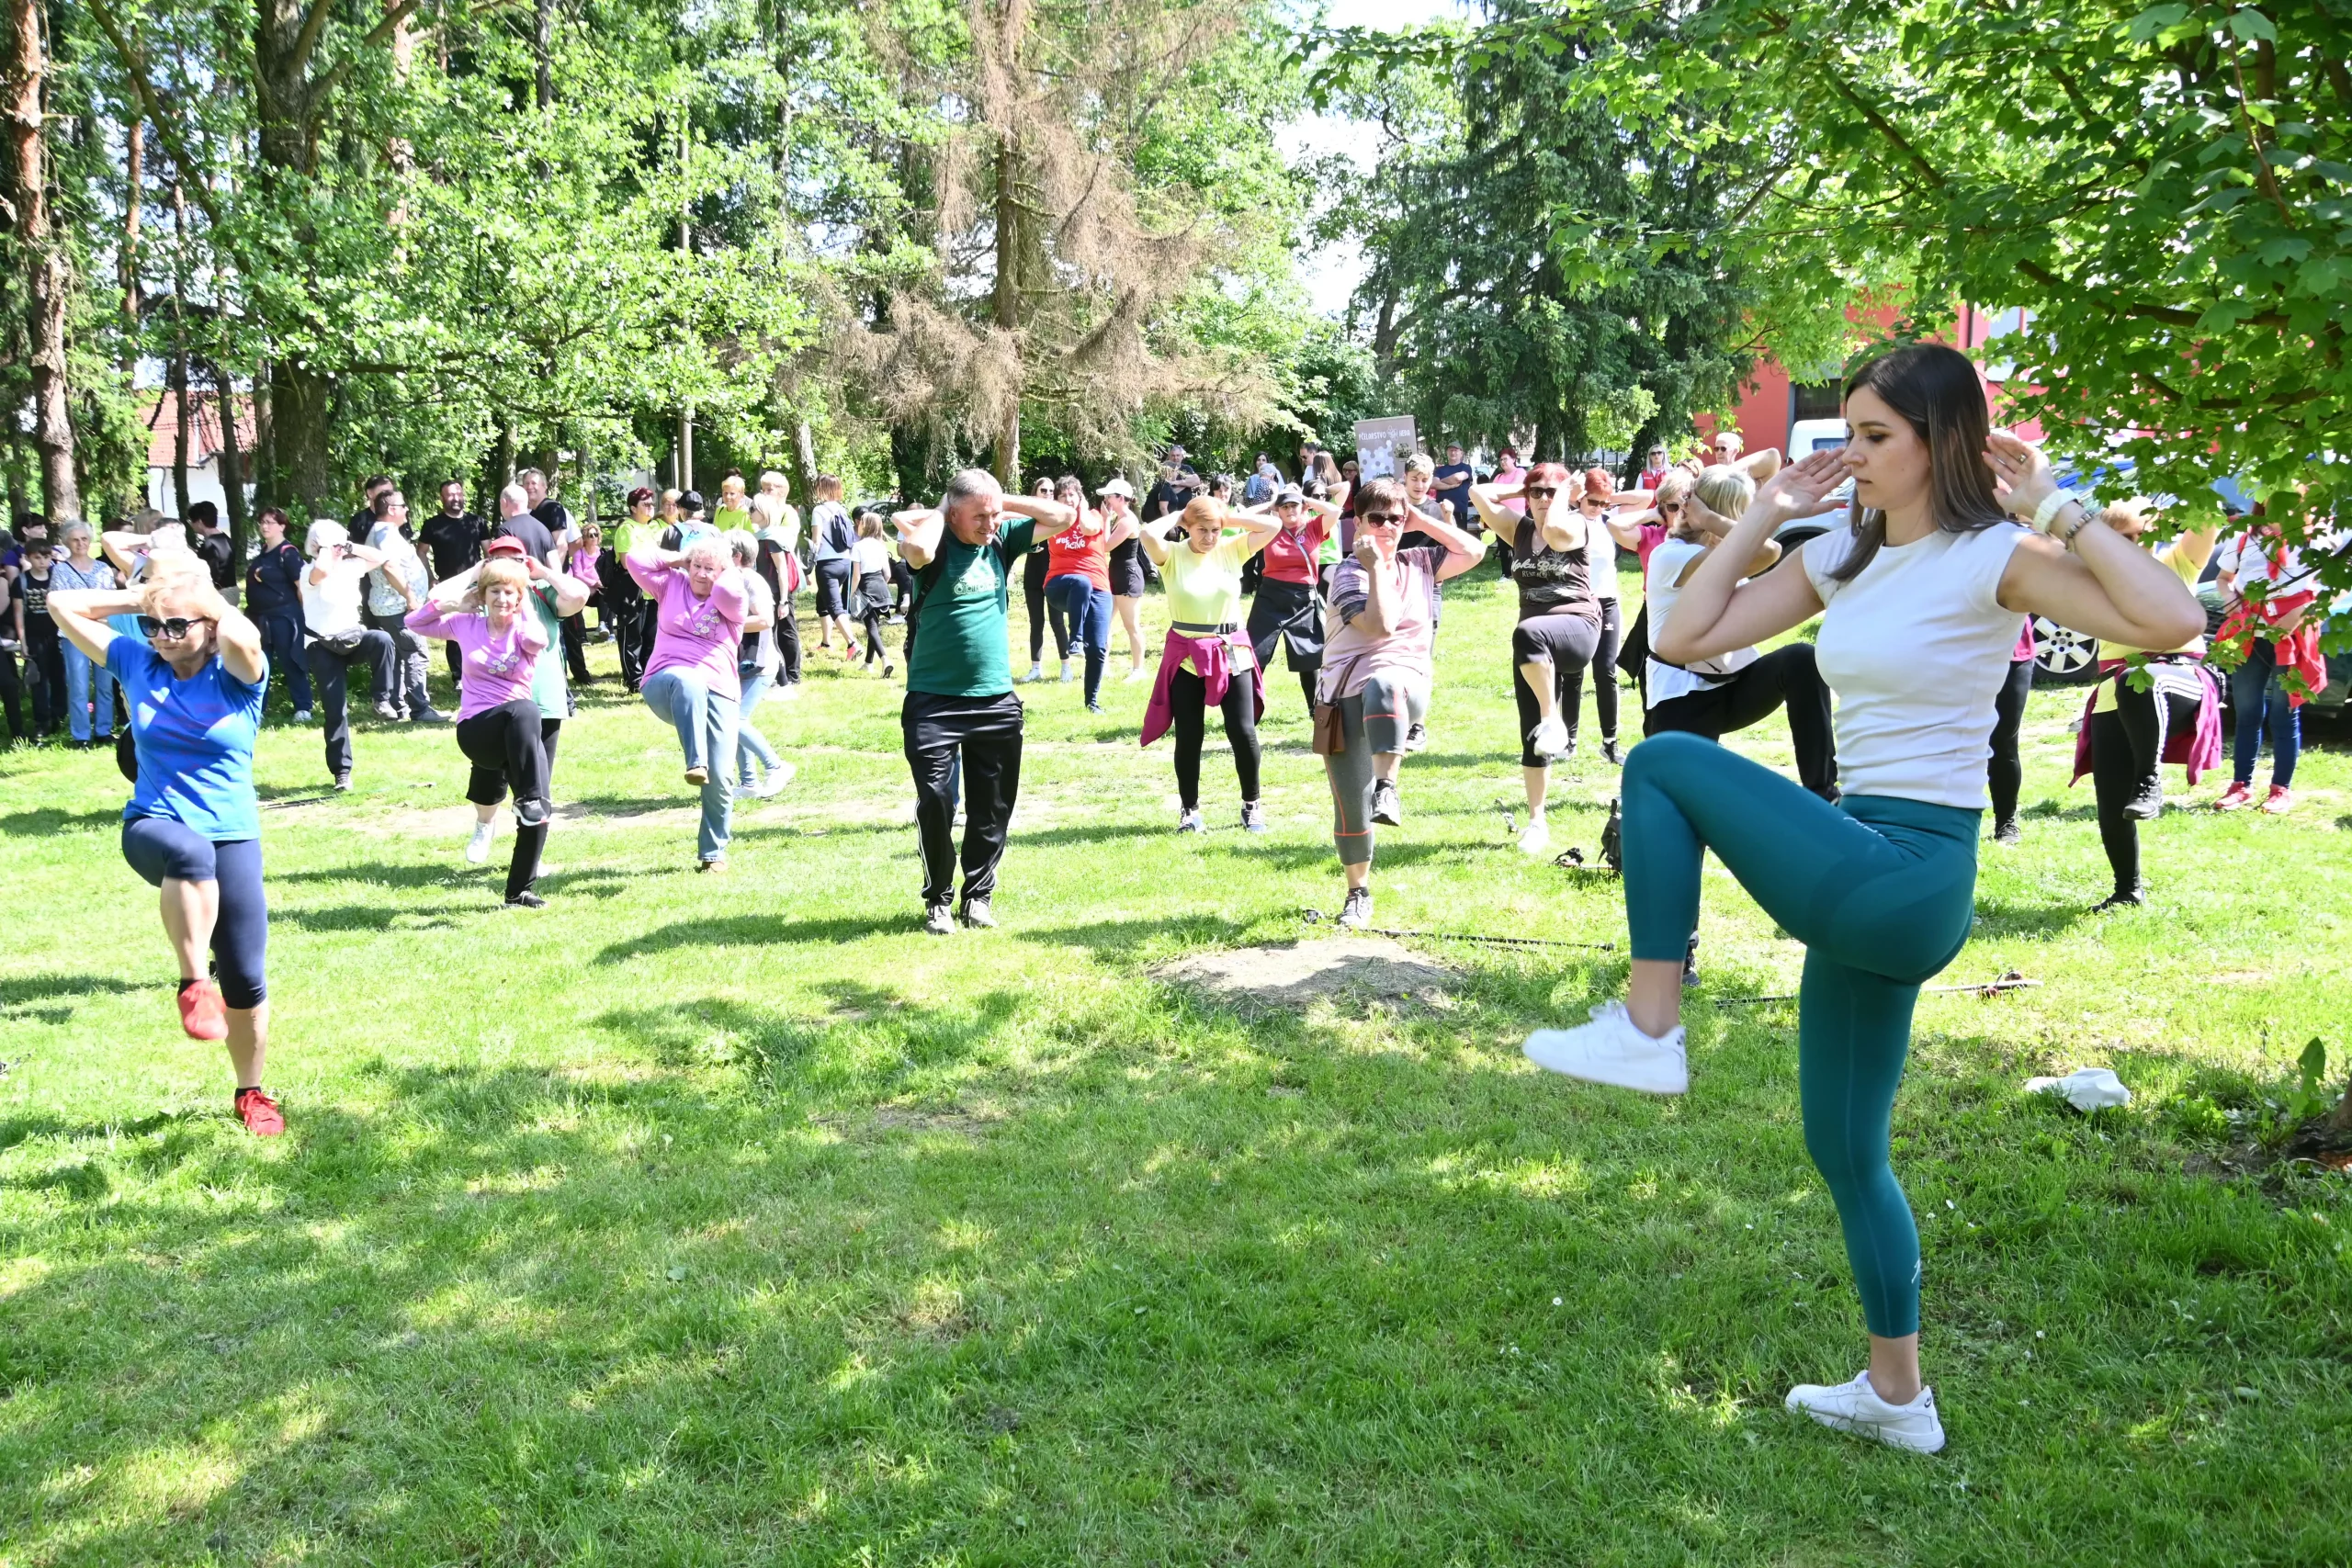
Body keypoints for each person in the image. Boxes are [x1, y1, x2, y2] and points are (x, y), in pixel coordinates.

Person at [1518, 343, 2205, 1455]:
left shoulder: (1998, 555)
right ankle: (1899, 1399)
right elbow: (1684, 637)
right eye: (1849, 432)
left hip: (1909, 873)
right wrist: (1767, 510)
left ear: (1943, 443)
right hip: (1860, 857)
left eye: (1877, 437)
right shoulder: (1846, 550)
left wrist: (2054, 504)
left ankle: (1650, 1025)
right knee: (1845, 1151)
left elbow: (2171, 619)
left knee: (1658, 766)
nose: (1855, 455)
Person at [46, 558, 285, 1135]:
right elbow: (61, 606)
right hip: (153, 823)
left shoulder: (237, 674)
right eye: (158, 627)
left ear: (208, 625)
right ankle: (190, 981)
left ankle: (251, 1093)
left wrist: (204, 599)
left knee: (247, 976)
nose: (164, 637)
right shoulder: (137, 661)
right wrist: (147, 601)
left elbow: (245, 636)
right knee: (189, 855)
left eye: (178, 626)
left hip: (232, 831)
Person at [890, 471, 1074, 933]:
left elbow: (1066, 516)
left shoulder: (1002, 538)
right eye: (979, 516)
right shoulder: (933, 538)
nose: (991, 524)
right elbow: (917, 551)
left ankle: (978, 897)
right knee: (935, 800)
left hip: (995, 699)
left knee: (992, 806)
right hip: (933, 699)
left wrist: (997, 501)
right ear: (953, 513)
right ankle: (938, 899)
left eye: (995, 516)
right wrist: (943, 510)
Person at [1317, 477, 1484, 929]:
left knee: (1386, 682)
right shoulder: (1346, 574)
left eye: (1396, 518)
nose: (1389, 526)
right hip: (1342, 696)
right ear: (1359, 523)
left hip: (1403, 685)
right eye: (1379, 518)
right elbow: (1381, 625)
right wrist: (1374, 567)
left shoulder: (1421, 560)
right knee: (1351, 806)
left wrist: (1421, 520)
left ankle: (1387, 786)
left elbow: (1475, 551)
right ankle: (1358, 892)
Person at [1639, 469, 1837, 800]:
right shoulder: (1671, 555)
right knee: (1688, 807)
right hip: (1685, 696)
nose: (1749, 519)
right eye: (1744, 512)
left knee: (1801, 659)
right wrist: (1707, 516)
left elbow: (1769, 460)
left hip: (1736, 685)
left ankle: (1824, 794)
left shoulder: (1725, 551)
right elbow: (1768, 551)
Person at [2068, 501, 2222, 908]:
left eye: (2143, 536)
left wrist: (2172, 504)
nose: (2138, 545)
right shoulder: (2094, 580)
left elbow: (2207, 515)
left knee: (2140, 681)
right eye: (2125, 539)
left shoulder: (2176, 564)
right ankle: (2127, 890)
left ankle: (2149, 781)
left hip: (2177, 678)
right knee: (2111, 805)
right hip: (2114, 689)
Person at [1470, 465, 1606, 855]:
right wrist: (1524, 491)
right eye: (1538, 492)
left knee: (1527, 634)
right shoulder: (1519, 529)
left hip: (1577, 628)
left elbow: (1554, 532)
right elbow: (1479, 492)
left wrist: (1564, 495)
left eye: (1551, 492)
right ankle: (1537, 822)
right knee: (1532, 738)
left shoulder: (1577, 524)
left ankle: (1554, 719)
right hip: (1531, 646)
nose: (1544, 499)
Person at [406, 552, 556, 906]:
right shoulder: (465, 624)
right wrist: (455, 602)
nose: (502, 599)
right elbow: (414, 622)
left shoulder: (524, 629)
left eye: (510, 593)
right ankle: (527, 797)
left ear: (519, 597)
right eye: (495, 592)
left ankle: (519, 891)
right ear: (483, 595)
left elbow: (540, 641)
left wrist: (528, 607)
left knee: (540, 811)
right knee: (525, 710)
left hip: (517, 735)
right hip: (477, 731)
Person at [1137, 495, 1281, 832]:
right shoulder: (1172, 555)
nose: (1210, 537)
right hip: (1187, 654)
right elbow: (1146, 534)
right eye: (1203, 530)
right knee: (1189, 735)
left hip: (1232, 649)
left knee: (1243, 731)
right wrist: (1179, 516)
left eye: (1215, 530)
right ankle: (1190, 811)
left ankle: (1252, 806)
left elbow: (1273, 525)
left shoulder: (1232, 548)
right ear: (1188, 527)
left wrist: (1227, 520)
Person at [628, 530, 752, 869]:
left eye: (709, 569)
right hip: (665, 682)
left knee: (724, 775)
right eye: (696, 566)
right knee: (688, 678)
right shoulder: (672, 584)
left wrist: (723, 566)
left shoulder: (730, 595)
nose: (700, 574)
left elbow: (726, 587)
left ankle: (713, 854)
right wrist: (680, 559)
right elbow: (634, 559)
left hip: (720, 690)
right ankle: (695, 762)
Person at [2212, 518, 2317, 814]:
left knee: (2284, 714)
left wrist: (2297, 613)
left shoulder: (2314, 537)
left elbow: (2333, 585)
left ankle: (2281, 790)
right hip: (2249, 636)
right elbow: (2223, 578)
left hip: (2292, 635)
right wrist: (2234, 608)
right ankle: (2240, 786)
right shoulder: (2246, 538)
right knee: (2247, 713)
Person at [300, 519, 400, 790]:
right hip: (323, 647)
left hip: (352, 639)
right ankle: (342, 772)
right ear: (317, 547)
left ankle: (382, 701)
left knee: (382, 639)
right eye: (332, 545)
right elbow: (322, 568)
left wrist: (349, 545)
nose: (337, 550)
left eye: (338, 544)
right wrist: (325, 548)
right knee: (336, 712)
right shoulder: (308, 572)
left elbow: (381, 557)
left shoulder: (350, 568)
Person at [1245, 483, 1342, 716]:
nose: (1290, 511)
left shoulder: (1314, 527)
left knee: (1307, 654)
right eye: (1285, 506)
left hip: (1302, 597)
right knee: (1255, 654)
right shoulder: (1271, 528)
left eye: (1294, 506)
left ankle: (1315, 708)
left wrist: (1306, 499)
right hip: (1270, 596)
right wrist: (1271, 504)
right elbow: (1241, 516)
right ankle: (1249, 709)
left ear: (1303, 508)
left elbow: (1335, 512)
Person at [1044, 476, 1132, 713]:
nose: (1068, 499)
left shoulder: (1093, 516)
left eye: (1072, 494)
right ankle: (1076, 639)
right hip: (1059, 584)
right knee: (1081, 582)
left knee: (1099, 647)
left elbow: (1088, 529)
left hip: (1099, 588)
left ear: (1080, 496)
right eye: (1063, 495)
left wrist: (1079, 507)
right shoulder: (1053, 521)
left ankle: (1091, 702)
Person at [363, 489, 446, 723]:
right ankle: (420, 709)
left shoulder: (384, 532)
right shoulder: (385, 535)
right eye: (403, 505)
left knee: (402, 654)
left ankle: (400, 707)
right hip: (397, 606)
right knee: (416, 651)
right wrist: (410, 596)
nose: (407, 509)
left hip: (390, 606)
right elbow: (389, 568)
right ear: (391, 510)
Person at [724, 532, 791, 799]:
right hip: (742, 663)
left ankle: (776, 766)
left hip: (760, 664)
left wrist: (726, 621)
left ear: (737, 556)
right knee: (735, 719)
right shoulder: (733, 579)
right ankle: (749, 783)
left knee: (734, 720)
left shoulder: (750, 580)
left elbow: (765, 620)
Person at [1570, 466, 1627, 764]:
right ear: (1580, 498)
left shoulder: (1610, 523)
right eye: (1593, 501)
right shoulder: (1569, 522)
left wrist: (1610, 496)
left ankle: (1610, 742)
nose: (1597, 508)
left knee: (1606, 670)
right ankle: (1569, 739)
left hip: (1607, 603)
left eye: (1604, 503)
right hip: (1577, 603)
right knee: (1572, 671)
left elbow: (1647, 499)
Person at [50, 523, 119, 747]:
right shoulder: (60, 570)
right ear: (66, 542)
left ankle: (104, 730)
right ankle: (81, 735)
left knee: (105, 684)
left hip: (103, 631)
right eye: (75, 540)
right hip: (73, 633)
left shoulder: (103, 569)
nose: (80, 544)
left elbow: (112, 602)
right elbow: (58, 602)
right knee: (78, 685)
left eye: (84, 539)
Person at [243, 508, 312, 721]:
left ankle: (303, 708)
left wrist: (305, 617)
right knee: (259, 664)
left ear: (282, 526)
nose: (265, 526)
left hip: (284, 618)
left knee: (291, 661)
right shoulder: (263, 552)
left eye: (271, 522)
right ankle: (257, 709)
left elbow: (302, 588)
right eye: (262, 522)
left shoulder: (288, 553)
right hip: (259, 618)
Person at [420, 480, 490, 682]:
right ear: (442, 498)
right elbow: (421, 552)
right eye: (450, 495)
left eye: (458, 493)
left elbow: (488, 551)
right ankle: (459, 676)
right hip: (448, 584)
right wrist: (430, 577)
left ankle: (482, 669)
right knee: (455, 628)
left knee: (481, 625)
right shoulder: (432, 525)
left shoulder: (477, 522)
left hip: (476, 583)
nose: (456, 498)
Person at [750, 490, 802, 699]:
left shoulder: (772, 538)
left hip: (775, 594)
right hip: (766, 593)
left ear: (763, 512)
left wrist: (782, 601)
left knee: (774, 637)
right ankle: (778, 681)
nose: (749, 512)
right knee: (769, 638)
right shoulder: (761, 536)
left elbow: (782, 572)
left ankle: (785, 681)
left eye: (753, 509)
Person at [1020, 477, 1070, 683]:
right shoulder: (1029, 517)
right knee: (1036, 623)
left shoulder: (1060, 517)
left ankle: (1066, 666)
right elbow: (1019, 542)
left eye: (1051, 491)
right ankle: (1035, 668)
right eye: (1044, 490)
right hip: (1033, 574)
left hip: (1054, 575)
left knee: (1057, 622)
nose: (1048, 494)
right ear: (1035, 493)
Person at [13, 535, 63, 738]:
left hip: (57, 635)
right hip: (34, 636)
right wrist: (22, 642)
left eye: (46, 557)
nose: (42, 562)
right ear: (28, 558)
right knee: (38, 680)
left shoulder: (56, 577)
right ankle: (41, 721)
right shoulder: (22, 581)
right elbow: (18, 613)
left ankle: (59, 715)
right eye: (37, 558)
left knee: (59, 676)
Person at [1108, 472, 1154, 682]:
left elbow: (1106, 546)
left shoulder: (1128, 520)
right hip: (1116, 573)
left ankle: (1138, 670)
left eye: (1110, 496)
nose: (1106, 499)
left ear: (1120, 498)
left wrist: (1104, 519)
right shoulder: (1120, 518)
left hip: (1128, 576)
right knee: (1105, 623)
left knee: (1131, 625)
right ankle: (1103, 666)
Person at [808, 474, 859, 658]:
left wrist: (808, 562)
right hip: (844, 563)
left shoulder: (818, 511)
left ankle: (852, 643)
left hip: (826, 564)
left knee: (834, 606)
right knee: (822, 601)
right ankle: (826, 642)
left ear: (821, 489)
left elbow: (816, 541)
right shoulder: (842, 510)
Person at [850, 512, 896, 675]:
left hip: (866, 588)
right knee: (874, 626)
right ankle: (868, 663)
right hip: (880, 585)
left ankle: (885, 659)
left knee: (871, 627)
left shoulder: (858, 546)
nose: (858, 525)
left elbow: (856, 575)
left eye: (861, 522)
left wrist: (852, 593)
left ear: (865, 525)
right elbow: (888, 574)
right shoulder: (881, 545)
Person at [560, 521, 605, 684]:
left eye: (595, 534)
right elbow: (578, 571)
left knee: (570, 635)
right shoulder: (580, 553)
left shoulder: (561, 515)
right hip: (571, 585)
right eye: (589, 535)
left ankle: (580, 675)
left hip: (567, 583)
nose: (592, 538)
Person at [518, 468, 574, 561]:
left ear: (544, 486)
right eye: (526, 483)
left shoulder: (554, 509)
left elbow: (561, 545)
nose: (529, 487)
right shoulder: (528, 513)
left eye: (534, 483)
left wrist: (554, 574)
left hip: (548, 572)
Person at [187, 502, 236, 601]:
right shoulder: (225, 538)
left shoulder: (209, 546)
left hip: (220, 595)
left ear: (200, 522)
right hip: (233, 591)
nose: (191, 525)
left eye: (192, 521)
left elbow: (210, 574)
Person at [1432, 443, 1476, 531]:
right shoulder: (1440, 470)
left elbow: (1458, 477)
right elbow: (1433, 484)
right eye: (1451, 450)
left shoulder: (1466, 467)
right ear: (1447, 452)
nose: (1453, 452)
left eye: (1456, 450)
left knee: (1459, 539)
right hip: (1441, 510)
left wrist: (1441, 481)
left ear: (1461, 453)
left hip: (1459, 510)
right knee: (1441, 539)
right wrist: (1451, 486)